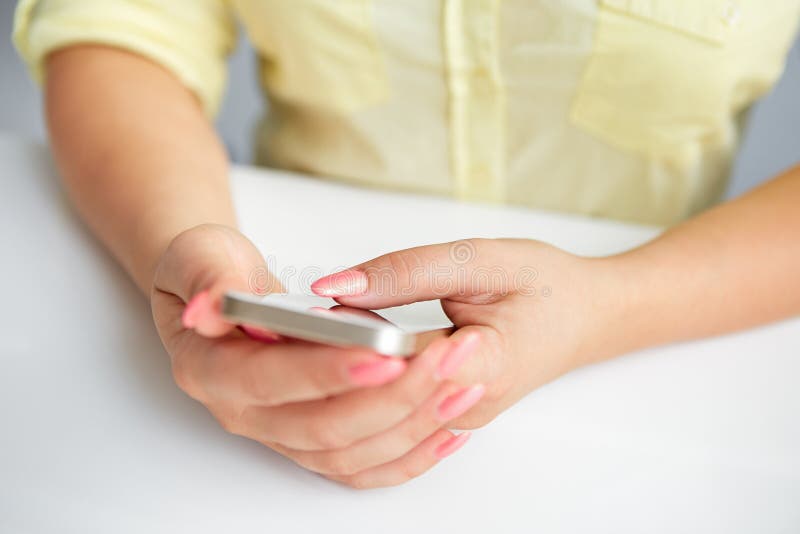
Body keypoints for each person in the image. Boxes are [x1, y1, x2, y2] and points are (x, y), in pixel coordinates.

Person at [13, 0, 800, 489]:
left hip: (674, 367)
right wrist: (180, 240)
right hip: (291, 287)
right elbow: (120, 29)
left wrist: (609, 306)